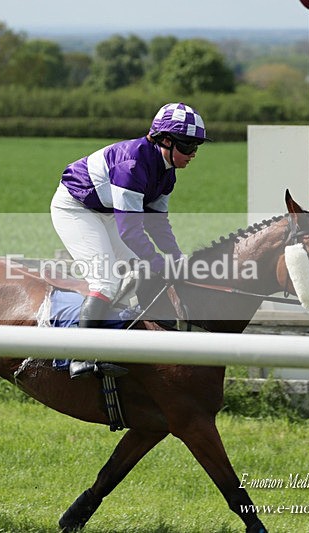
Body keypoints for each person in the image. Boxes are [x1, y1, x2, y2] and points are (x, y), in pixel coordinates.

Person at [50, 102, 208, 379]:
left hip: (106, 211)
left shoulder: (167, 172)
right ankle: (79, 357)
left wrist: (177, 258)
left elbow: (158, 224)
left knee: (141, 271)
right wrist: (162, 263)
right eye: (187, 146)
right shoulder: (132, 165)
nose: (193, 154)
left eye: (197, 147)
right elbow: (132, 232)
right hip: (75, 209)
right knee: (106, 281)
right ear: (165, 140)